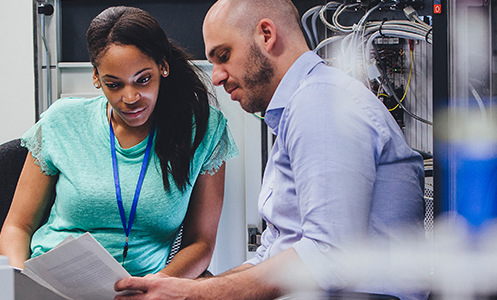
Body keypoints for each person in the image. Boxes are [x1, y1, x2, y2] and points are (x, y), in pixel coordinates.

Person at [112, 0, 428, 298]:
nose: (218, 77)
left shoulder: (321, 104)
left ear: (266, 35)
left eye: (223, 56)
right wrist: (178, 291)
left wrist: (194, 294)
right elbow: (271, 253)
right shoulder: (299, 109)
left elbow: (329, 254)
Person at [0, 6, 238, 279]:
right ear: (96, 77)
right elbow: (18, 226)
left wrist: (158, 288)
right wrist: (16, 282)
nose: (130, 97)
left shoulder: (203, 130)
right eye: (114, 84)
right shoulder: (62, 122)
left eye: (143, 80)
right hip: (51, 284)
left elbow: (201, 243)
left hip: (144, 289)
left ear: (163, 66)